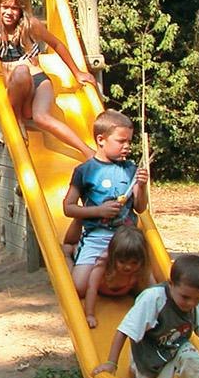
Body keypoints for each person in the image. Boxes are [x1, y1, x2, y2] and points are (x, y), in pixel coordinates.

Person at [0, 0, 98, 160]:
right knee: (21, 71)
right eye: (5, 7)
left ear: (22, 9)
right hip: (18, 85)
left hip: (38, 81)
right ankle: (19, 119)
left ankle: (88, 152)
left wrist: (77, 73)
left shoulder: (31, 25)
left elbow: (56, 44)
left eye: (14, 8)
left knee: (42, 117)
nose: (9, 12)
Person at [63, 110, 149, 320]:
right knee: (79, 288)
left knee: (148, 287)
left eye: (129, 141)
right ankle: (70, 252)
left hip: (125, 237)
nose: (127, 146)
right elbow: (68, 207)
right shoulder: (85, 170)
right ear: (101, 140)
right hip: (98, 235)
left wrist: (142, 186)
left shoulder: (130, 169)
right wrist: (98, 211)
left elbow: (139, 207)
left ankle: (110, 276)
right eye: (121, 141)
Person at [79, 225, 152, 330]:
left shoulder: (140, 270)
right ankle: (70, 253)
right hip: (100, 289)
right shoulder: (103, 265)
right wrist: (89, 315)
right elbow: (92, 288)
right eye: (122, 261)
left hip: (122, 295)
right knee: (79, 283)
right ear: (113, 257)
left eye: (134, 262)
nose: (128, 267)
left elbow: (153, 290)